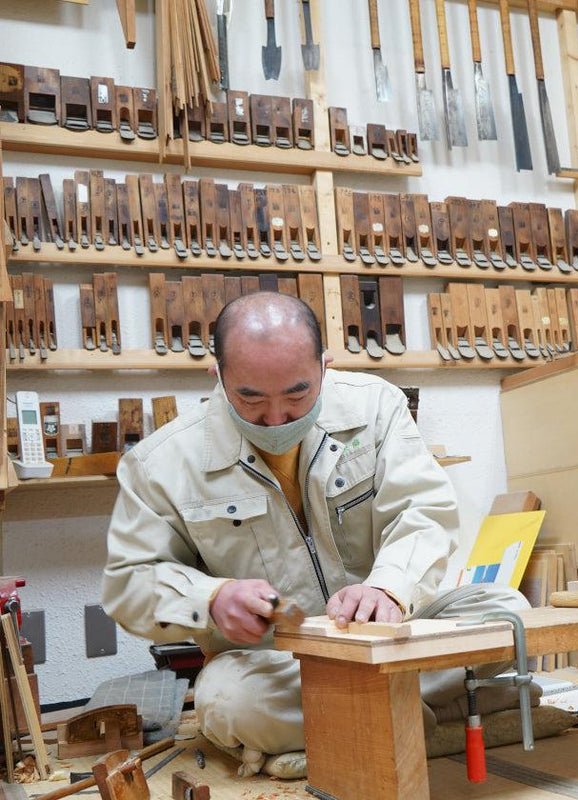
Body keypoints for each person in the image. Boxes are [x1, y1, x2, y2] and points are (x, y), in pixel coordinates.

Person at [102, 292, 530, 779]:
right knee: (229, 702)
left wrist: (389, 585)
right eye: (252, 399)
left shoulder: (375, 407)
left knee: (508, 613)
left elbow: (424, 510)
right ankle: (451, 708)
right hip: (278, 663)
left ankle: (349, 725)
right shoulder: (160, 464)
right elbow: (130, 584)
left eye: (297, 394)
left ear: (325, 367)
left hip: (386, 635)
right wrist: (211, 597)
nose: (277, 418)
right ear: (216, 376)